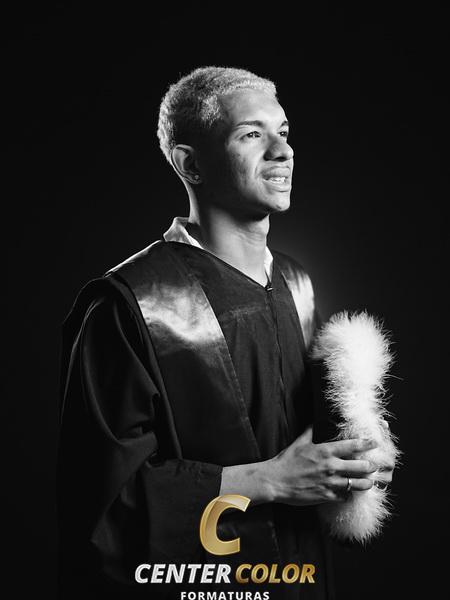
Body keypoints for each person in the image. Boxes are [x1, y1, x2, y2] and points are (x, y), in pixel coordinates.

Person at [57, 66, 392, 599]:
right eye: (252, 134)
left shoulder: (297, 285)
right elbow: (101, 508)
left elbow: (309, 445)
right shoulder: (131, 304)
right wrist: (268, 481)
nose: (283, 151)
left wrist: (352, 466)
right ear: (190, 164)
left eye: (284, 131)